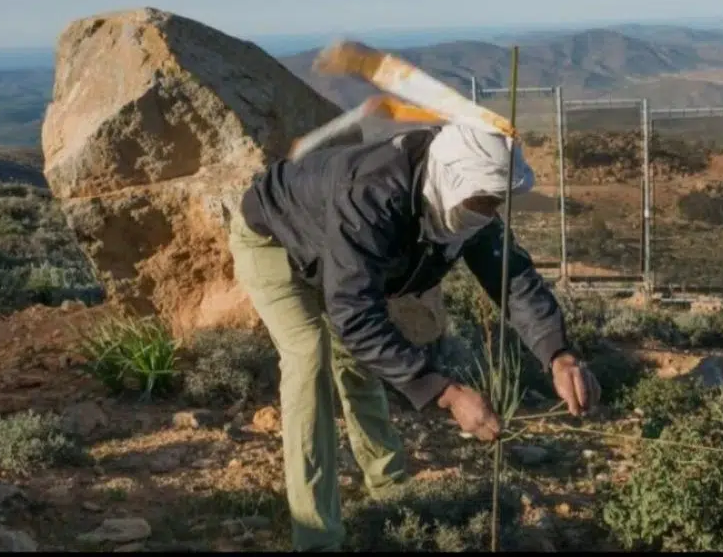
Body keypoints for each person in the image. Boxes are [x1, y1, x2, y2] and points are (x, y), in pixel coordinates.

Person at [225, 121, 601, 551]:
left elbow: (511, 276)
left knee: (361, 365)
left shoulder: (467, 204)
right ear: (452, 182)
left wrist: (558, 353)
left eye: (498, 201)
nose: (490, 210)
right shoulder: (372, 195)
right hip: (274, 242)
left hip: (335, 257)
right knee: (309, 358)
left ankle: (389, 488)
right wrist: (448, 392)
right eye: (485, 200)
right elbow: (356, 314)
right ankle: (316, 535)